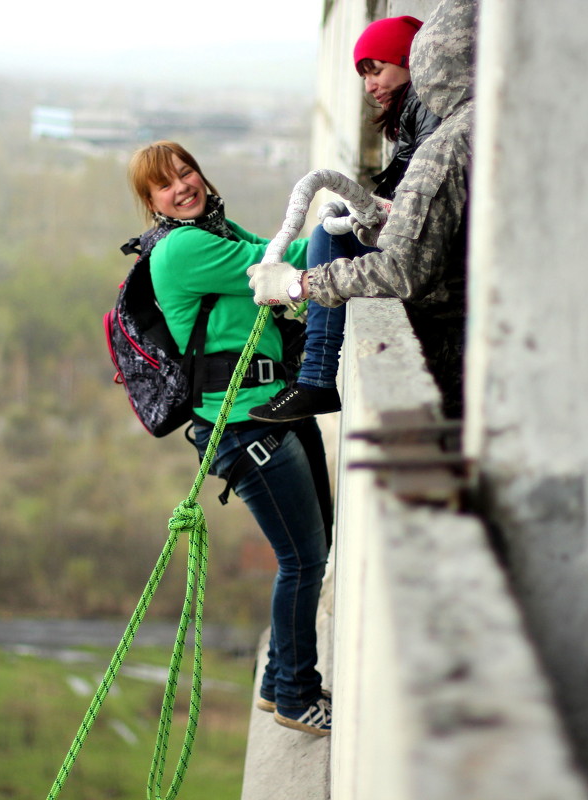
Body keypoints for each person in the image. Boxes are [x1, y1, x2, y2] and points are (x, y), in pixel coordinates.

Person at [127, 141, 334, 736]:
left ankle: (276, 684)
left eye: (186, 170)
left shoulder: (215, 227)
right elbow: (273, 267)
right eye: (165, 184)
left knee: (311, 551)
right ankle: (295, 694)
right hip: (244, 423)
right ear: (151, 202)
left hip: (272, 407)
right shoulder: (183, 247)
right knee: (302, 559)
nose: (183, 186)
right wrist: (346, 236)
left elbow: (264, 253)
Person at [248, 0, 476, 419]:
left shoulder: (445, 139)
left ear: (421, 61)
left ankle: (315, 378)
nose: (370, 85)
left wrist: (299, 284)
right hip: (484, 320)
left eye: (378, 69)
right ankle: (313, 375)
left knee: (328, 238)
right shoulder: (477, 122)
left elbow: (405, 267)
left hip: (453, 324)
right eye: (364, 75)